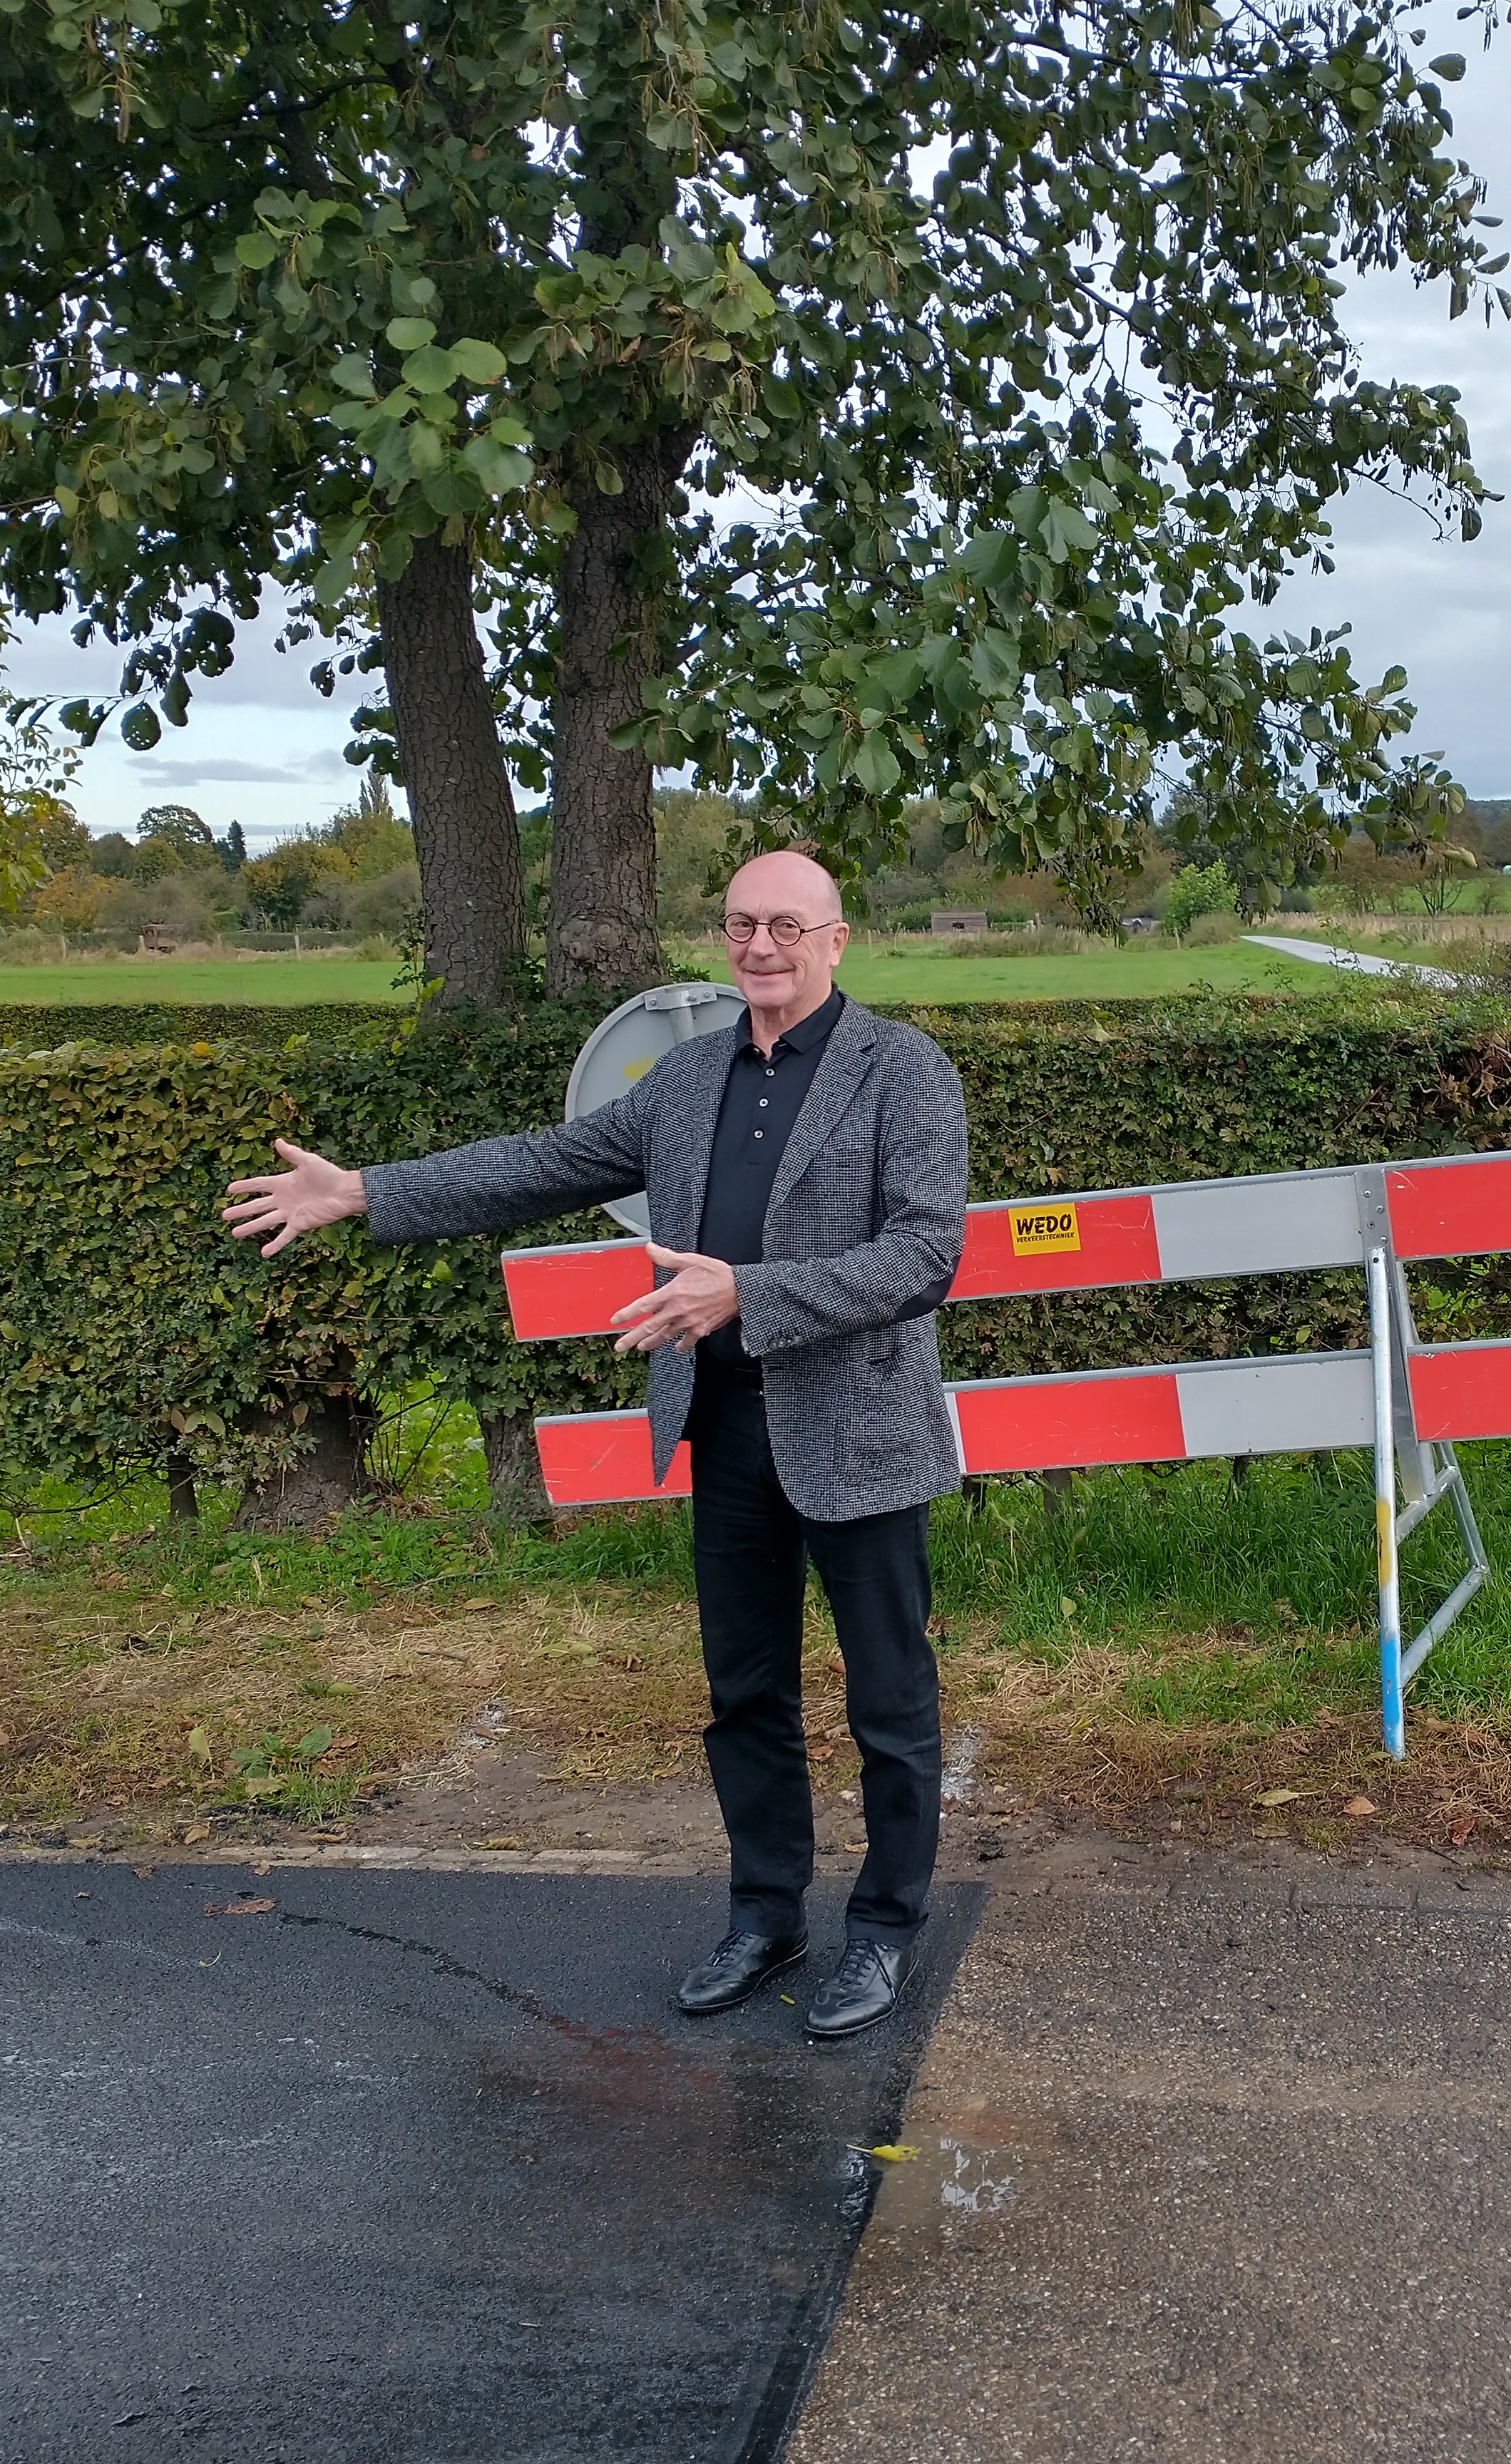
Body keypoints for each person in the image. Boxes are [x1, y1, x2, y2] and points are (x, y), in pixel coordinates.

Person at [219, 849, 969, 2038]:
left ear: (836, 940)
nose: (758, 949)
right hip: (723, 1430)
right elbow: (542, 1164)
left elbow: (926, 1256)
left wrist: (751, 1295)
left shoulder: (904, 1072)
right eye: (737, 927)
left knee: (889, 1701)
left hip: (860, 1434)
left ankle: (883, 1934)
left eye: (784, 926)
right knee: (745, 1695)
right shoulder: (685, 1080)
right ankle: (767, 1915)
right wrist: (369, 1191)